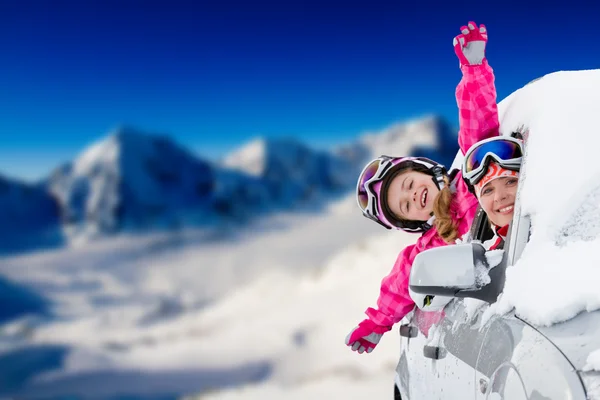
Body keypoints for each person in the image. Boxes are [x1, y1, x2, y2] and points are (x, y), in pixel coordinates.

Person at [345, 21, 500, 354]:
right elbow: (400, 286)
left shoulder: (470, 179)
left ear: (426, 171)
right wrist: (377, 324)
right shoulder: (427, 250)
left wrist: (474, 70)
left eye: (409, 183)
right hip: (497, 304)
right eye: (405, 205)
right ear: (410, 222)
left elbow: (478, 126)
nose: (413, 195)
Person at [462, 136, 524, 250]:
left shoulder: (557, 225)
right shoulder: (492, 259)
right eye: (488, 191)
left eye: (510, 182)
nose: (500, 196)